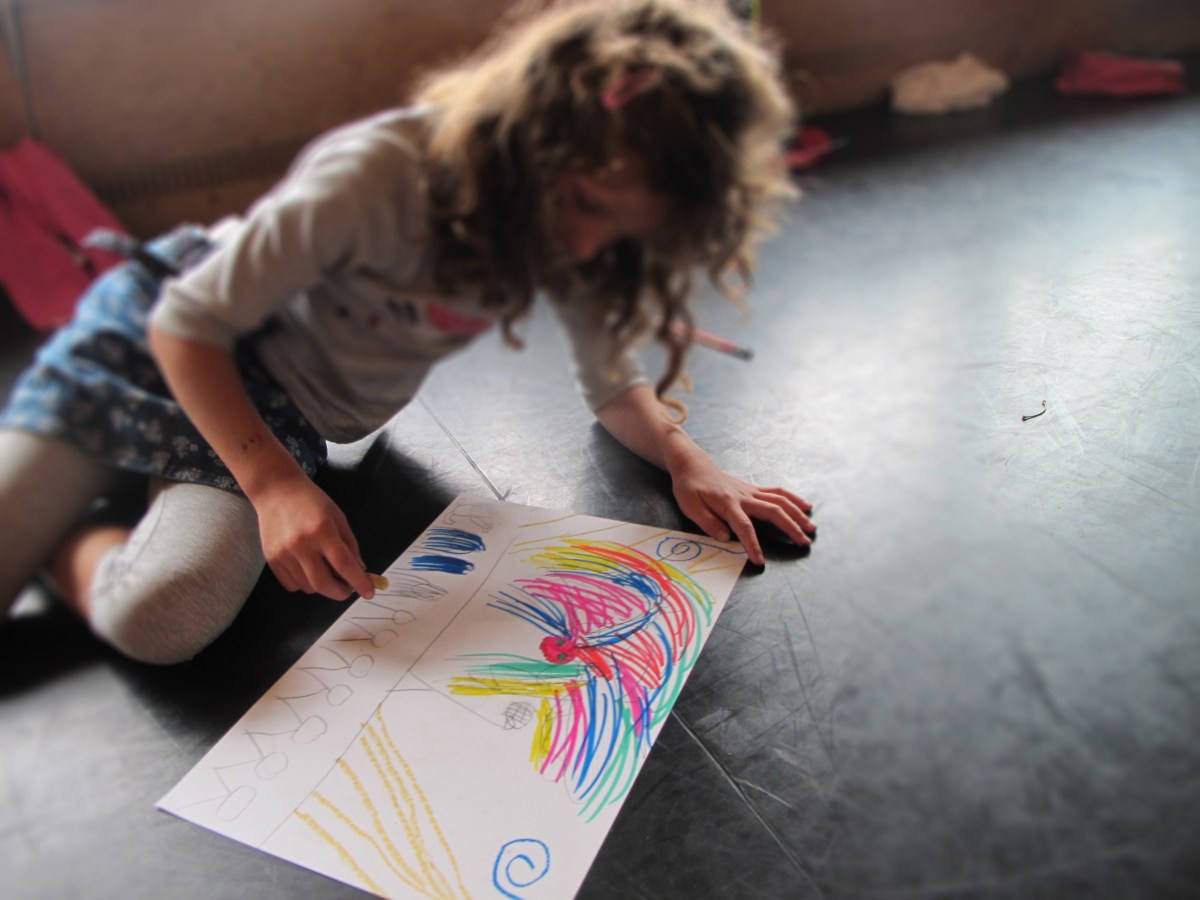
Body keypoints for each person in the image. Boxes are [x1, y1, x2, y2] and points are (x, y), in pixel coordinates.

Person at [0, 0, 816, 665]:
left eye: (625, 233)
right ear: (535, 132)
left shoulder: (580, 229)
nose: (586, 249)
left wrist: (689, 460)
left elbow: (610, 381)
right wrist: (276, 488)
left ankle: (66, 542)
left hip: (278, 415)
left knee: (165, 617)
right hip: (159, 343)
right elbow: (188, 322)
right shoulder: (379, 173)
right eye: (586, 207)